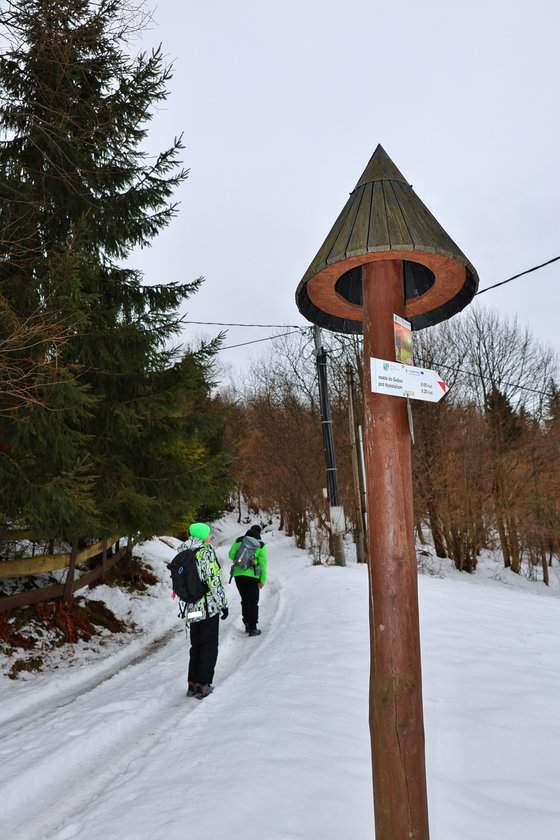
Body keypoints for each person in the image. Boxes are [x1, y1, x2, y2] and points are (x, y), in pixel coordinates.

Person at [181, 522, 228, 699]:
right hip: (208, 608)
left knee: (196, 645)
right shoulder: (205, 552)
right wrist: (223, 604)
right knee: (208, 646)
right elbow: (214, 582)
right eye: (208, 533)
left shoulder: (183, 551)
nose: (210, 536)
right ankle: (203, 684)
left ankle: (192, 684)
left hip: (191, 608)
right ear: (202, 536)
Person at [228, 524, 267, 637]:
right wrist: (262, 580)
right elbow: (263, 564)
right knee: (253, 602)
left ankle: (246, 623)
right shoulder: (261, 545)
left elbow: (231, 555)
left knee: (245, 599)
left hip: (239, 575)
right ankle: (253, 628)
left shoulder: (239, 540)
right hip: (253, 576)